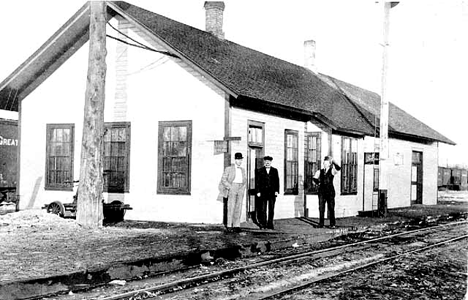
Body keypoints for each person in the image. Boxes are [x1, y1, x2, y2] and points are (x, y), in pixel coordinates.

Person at [218, 152, 247, 232]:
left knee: (239, 207)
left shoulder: (243, 170)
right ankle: (229, 225)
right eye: (238, 159)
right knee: (231, 206)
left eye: (241, 159)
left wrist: (243, 188)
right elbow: (223, 180)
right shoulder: (229, 168)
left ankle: (236, 225)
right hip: (232, 187)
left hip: (240, 188)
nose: (239, 161)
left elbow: (244, 180)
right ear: (235, 160)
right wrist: (230, 187)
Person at [313, 156, 341, 228]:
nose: (324, 164)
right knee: (321, 208)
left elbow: (338, 168)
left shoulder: (332, 171)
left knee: (331, 208)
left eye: (326, 163)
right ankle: (321, 224)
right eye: (324, 163)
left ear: (329, 164)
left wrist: (334, 161)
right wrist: (318, 183)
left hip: (330, 192)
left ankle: (332, 224)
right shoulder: (320, 171)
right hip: (322, 192)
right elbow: (314, 178)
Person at [255, 156, 280, 229]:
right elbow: (257, 182)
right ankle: (263, 224)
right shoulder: (260, 170)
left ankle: (270, 224)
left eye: (269, 162)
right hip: (263, 193)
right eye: (266, 161)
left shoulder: (275, 170)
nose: (267, 163)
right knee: (263, 209)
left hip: (272, 193)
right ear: (264, 162)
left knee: (271, 209)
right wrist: (258, 191)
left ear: (271, 162)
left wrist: (276, 191)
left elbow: (277, 181)